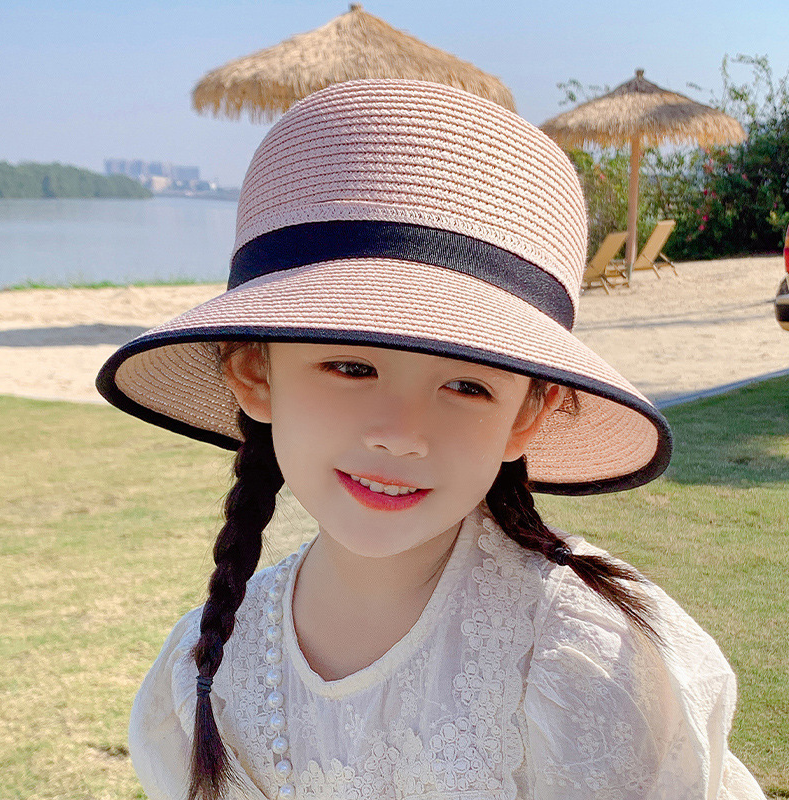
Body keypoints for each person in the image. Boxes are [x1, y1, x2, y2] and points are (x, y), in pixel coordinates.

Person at [97, 79, 765, 800]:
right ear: (255, 374)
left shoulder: (586, 659)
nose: (401, 436)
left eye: (468, 386)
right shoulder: (209, 666)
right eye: (352, 367)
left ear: (526, 415)